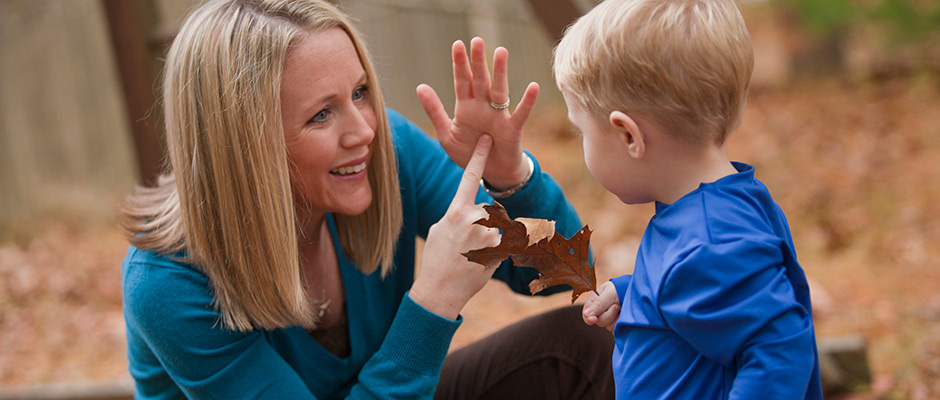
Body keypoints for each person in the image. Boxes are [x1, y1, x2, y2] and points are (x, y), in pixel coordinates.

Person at [120, 0, 613, 399]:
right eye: (320, 115)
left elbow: (568, 274)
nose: (365, 130)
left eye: (359, 92)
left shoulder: (386, 155)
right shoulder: (169, 283)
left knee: (584, 346)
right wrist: (433, 302)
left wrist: (511, 178)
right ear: (244, 145)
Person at [553, 0, 824, 399]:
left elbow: (780, 351)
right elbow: (710, 289)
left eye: (582, 132)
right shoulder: (717, 211)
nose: (583, 145)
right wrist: (635, 294)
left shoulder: (709, 241)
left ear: (629, 136)